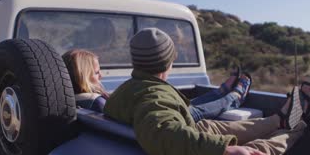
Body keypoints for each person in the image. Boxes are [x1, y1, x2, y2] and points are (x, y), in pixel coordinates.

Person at [104, 28, 310, 155]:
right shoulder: (154, 95)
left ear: (136, 62)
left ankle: (277, 120)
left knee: (209, 127)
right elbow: (162, 134)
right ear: (170, 61)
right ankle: (293, 128)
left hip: (182, 134)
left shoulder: (128, 90)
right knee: (254, 154)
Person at [62, 49, 253, 122]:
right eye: (96, 72)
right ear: (83, 76)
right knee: (195, 109)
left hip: (146, 116)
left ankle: (223, 90)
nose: (101, 75)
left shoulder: (69, 101)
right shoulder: (96, 103)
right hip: (154, 122)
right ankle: (234, 96)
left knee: (189, 103)